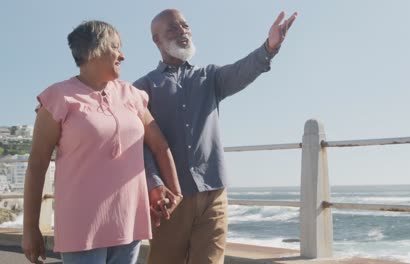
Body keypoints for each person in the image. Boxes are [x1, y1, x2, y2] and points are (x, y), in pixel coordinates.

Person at [133, 9, 297, 264]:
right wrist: (155, 183)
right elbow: (138, 145)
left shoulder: (209, 76)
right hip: (170, 200)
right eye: (173, 28)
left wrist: (269, 47)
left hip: (213, 193)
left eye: (185, 26)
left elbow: (241, 71)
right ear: (157, 40)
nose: (183, 32)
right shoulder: (142, 88)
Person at [21, 20, 182, 264]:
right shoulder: (58, 97)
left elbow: (159, 145)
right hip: (82, 227)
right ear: (96, 49)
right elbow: (37, 164)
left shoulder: (132, 95)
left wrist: (175, 190)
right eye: (116, 47)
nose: (123, 56)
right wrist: (30, 228)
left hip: (128, 223)